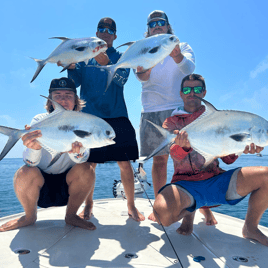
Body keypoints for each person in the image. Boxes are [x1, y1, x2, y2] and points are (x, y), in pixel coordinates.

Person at [153, 74, 268, 247]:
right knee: (161, 215)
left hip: (216, 180)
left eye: (197, 89)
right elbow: (175, 155)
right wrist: (184, 146)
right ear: (181, 94)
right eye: (187, 89)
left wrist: (241, 148)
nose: (192, 92)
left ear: (204, 92)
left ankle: (250, 228)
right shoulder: (171, 123)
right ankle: (190, 212)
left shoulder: (221, 120)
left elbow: (228, 160)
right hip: (185, 185)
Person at [64, 17, 144, 222]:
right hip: (90, 117)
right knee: (90, 164)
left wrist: (109, 63)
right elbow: (75, 82)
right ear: (96, 33)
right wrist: (71, 67)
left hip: (117, 115)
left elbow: (122, 80)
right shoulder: (84, 56)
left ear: (115, 36)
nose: (106, 32)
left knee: (125, 163)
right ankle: (89, 204)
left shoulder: (121, 56)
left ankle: (131, 206)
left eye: (110, 30)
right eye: (102, 29)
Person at [135, 10, 207, 222]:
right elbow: (141, 77)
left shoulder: (183, 46)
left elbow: (189, 69)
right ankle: (161, 207)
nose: (157, 26)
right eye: (152, 24)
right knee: (159, 161)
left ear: (168, 27)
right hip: (150, 111)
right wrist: (145, 66)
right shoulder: (142, 48)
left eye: (161, 22)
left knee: (188, 161)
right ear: (148, 29)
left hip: (178, 110)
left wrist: (175, 54)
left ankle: (198, 210)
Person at [0, 77, 97, 232]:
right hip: (40, 187)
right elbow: (31, 163)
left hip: (68, 186)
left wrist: (77, 152)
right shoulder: (39, 120)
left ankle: (71, 215)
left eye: (68, 95)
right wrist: (34, 148)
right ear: (51, 101)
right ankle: (29, 217)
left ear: (76, 100)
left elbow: (83, 158)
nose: (63, 100)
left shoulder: (84, 121)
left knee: (86, 169)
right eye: (57, 96)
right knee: (25, 172)